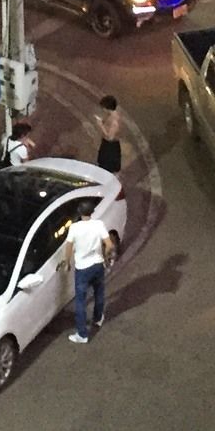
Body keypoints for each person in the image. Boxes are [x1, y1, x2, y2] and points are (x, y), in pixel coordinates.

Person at [67, 203, 113, 344]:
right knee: (99, 292)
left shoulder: (74, 228)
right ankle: (98, 318)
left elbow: (69, 246)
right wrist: (105, 257)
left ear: (80, 213)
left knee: (80, 301)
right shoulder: (99, 224)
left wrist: (67, 262)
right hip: (97, 265)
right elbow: (109, 245)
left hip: (82, 268)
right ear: (92, 212)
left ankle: (82, 334)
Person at [96, 95, 122, 175]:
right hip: (107, 145)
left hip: (110, 148)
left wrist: (100, 125)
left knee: (106, 169)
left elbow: (110, 137)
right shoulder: (112, 115)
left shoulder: (114, 121)